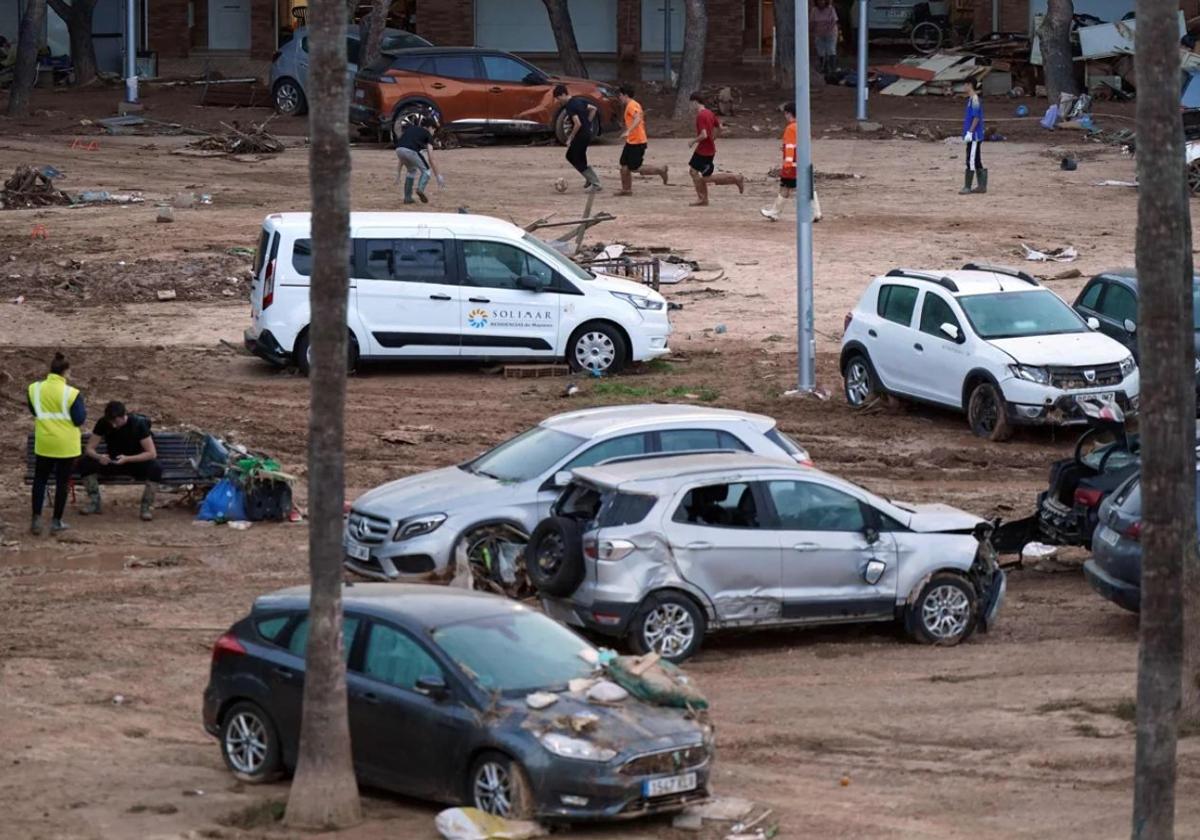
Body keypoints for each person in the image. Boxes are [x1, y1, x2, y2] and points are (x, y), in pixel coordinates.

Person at [27, 353, 86, 536]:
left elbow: (34, 410)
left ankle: (36, 519)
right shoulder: (72, 393)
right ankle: (56, 521)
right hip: (66, 446)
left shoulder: (34, 389)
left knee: (40, 480)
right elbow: (78, 420)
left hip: (44, 442)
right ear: (65, 372)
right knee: (62, 483)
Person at [79, 401, 163, 522]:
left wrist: (128, 458)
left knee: (156, 467)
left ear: (124, 416)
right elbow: (89, 448)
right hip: (114, 461)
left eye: (116, 422)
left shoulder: (138, 424)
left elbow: (151, 453)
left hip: (134, 462)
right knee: (85, 463)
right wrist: (99, 457)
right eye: (111, 422)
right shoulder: (103, 423)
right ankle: (94, 501)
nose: (113, 425)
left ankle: (146, 507)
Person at [687, 93, 744, 207]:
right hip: (706, 149)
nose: (690, 106)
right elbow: (719, 127)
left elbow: (703, 135)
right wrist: (714, 138)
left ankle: (735, 178)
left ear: (695, 102)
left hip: (704, 150)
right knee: (694, 172)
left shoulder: (701, 116)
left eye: (690, 104)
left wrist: (693, 141)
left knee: (705, 177)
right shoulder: (709, 113)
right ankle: (703, 199)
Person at [615, 84, 668, 196]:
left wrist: (628, 131)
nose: (619, 98)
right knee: (624, 165)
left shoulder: (631, 105)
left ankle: (660, 169)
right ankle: (626, 190)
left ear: (625, 95)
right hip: (631, 141)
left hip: (637, 141)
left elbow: (637, 118)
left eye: (620, 95)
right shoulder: (633, 104)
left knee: (634, 167)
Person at [555, 84, 601, 192]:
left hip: (581, 135)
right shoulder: (579, 100)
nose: (558, 101)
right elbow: (594, 109)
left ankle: (595, 182)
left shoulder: (570, 106)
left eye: (558, 98)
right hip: (587, 133)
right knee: (579, 156)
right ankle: (589, 178)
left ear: (563, 94)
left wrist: (570, 137)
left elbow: (577, 124)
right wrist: (588, 123)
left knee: (572, 156)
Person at [393, 115, 444, 205]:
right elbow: (431, 158)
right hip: (411, 151)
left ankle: (407, 198)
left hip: (398, 150)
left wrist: (398, 173)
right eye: (434, 130)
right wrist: (438, 176)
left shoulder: (411, 130)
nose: (433, 132)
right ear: (430, 127)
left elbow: (403, 154)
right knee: (426, 171)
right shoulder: (427, 134)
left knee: (411, 170)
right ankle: (420, 189)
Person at [761, 102, 798, 221]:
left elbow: (790, 147)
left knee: (785, 187)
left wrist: (787, 164)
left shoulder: (791, 128)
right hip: (800, 163)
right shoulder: (801, 126)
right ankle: (816, 212)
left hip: (792, 165)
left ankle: (775, 212)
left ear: (788, 113)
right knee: (808, 188)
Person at [961, 77, 987, 194]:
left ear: (969, 85)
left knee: (971, 159)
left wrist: (971, 132)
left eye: (965, 85)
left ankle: (968, 186)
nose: (964, 87)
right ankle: (982, 185)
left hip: (974, 136)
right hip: (973, 134)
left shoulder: (975, 99)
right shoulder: (971, 100)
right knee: (976, 159)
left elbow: (976, 117)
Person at [811, 0, 839, 77]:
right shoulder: (814, 10)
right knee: (820, 50)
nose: (821, 2)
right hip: (819, 33)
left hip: (830, 33)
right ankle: (824, 67)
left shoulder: (831, 9)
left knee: (831, 49)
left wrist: (827, 30)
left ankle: (832, 68)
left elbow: (834, 21)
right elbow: (812, 22)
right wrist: (812, 31)